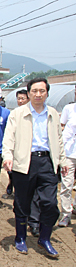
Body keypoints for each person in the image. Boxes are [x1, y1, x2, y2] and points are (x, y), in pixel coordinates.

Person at [2, 78, 68, 258]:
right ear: (29, 93)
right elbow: (9, 138)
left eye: (42, 91)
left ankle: (44, 238)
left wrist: (62, 161)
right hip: (25, 162)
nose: (38, 94)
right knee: (22, 202)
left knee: (50, 203)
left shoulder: (53, 114)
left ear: (47, 93)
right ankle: (21, 238)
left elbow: (59, 140)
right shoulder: (17, 113)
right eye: (35, 91)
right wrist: (8, 157)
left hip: (47, 162)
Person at [57, 85, 76, 227]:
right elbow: (62, 127)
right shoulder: (69, 109)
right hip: (69, 154)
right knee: (67, 185)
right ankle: (65, 214)